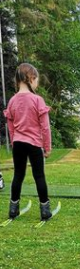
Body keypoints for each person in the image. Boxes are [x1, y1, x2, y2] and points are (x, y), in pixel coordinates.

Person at [4, 63, 53, 220]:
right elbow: (45, 127)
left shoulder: (12, 101)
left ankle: (13, 209)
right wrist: (47, 147)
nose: (37, 83)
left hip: (18, 143)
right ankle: (45, 210)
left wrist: (14, 143)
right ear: (31, 78)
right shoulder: (37, 100)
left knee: (18, 175)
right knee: (39, 176)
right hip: (34, 144)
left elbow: (11, 128)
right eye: (36, 79)